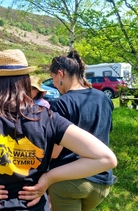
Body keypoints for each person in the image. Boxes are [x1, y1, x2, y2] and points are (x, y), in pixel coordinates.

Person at [0, 49, 117, 211]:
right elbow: (105, 158)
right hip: (31, 205)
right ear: (26, 81)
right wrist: (48, 179)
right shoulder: (48, 117)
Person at [47, 51, 115, 211]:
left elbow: (55, 152)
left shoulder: (60, 104)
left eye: (53, 78)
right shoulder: (104, 99)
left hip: (69, 182)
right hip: (102, 182)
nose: (54, 84)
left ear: (60, 74)